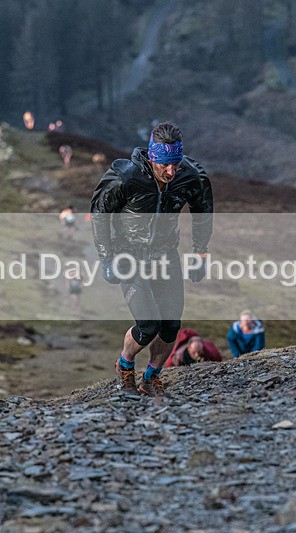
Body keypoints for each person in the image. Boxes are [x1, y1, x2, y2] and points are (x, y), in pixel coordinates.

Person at [91, 121, 214, 397]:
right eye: (165, 165)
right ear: (152, 157)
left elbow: (203, 210)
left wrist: (200, 252)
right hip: (129, 255)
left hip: (165, 254)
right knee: (148, 326)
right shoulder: (127, 177)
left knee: (171, 325)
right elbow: (100, 213)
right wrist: (106, 257)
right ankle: (125, 366)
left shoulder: (189, 176)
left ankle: (151, 377)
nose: (171, 171)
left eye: (176, 164)